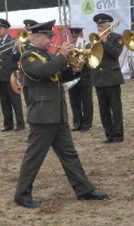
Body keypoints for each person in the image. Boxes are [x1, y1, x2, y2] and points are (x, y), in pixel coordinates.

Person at [13, 20, 108, 209]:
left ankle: (83, 189)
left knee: (69, 155)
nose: (51, 40)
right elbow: (43, 72)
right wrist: (63, 56)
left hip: (57, 113)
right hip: (43, 115)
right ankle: (22, 195)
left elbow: (57, 76)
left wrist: (73, 70)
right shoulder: (28, 57)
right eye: (48, 37)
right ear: (36, 36)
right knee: (34, 157)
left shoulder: (47, 55)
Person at [90, 13, 124, 143]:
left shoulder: (116, 38)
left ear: (109, 25)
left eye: (102, 24)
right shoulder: (95, 39)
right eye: (98, 25)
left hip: (112, 77)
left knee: (115, 108)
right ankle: (109, 134)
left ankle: (118, 134)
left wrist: (105, 41)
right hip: (99, 78)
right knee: (103, 109)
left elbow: (115, 53)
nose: (100, 27)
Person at [0, 18, 25, 132]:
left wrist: (15, 49)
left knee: (15, 101)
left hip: (11, 75)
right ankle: (8, 124)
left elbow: (17, 59)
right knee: (4, 101)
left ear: (6, 29)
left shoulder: (14, 41)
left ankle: (20, 123)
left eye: (0, 28)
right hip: (1, 76)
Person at [66, 27, 93, 131]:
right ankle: (77, 123)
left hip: (85, 76)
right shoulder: (69, 46)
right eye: (73, 36)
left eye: (76, 36)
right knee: (74, 102)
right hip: (72, 77)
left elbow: (92, 59)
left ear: (81, 34)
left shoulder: (87, 45)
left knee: (87, 102)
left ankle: (87, 123)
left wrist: (83, 63)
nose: (74, 38)